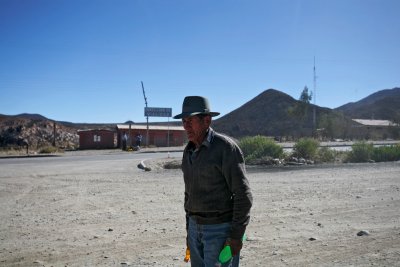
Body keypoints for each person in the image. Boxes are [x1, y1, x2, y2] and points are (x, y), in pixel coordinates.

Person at [173, 96, 253, 267]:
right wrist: (190, 232)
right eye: (184, 120)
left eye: (191, 120)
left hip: (220, 230)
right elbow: (189, 195)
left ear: (207, 120)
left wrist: (236, 236)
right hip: (195, 229)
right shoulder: (188, 152)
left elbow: (243, 195)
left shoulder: (225, 148)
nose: (186, 125)